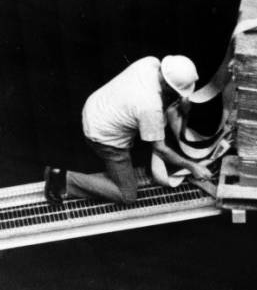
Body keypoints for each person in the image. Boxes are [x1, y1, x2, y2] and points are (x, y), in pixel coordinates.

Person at [45, 55, 214, 206]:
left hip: (96, 107)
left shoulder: (150, 63)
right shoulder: (150, 107)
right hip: (103, 136)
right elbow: (160, 150)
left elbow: (157, 99)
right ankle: (63, 180)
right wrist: (192, 166)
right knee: (127, 195)